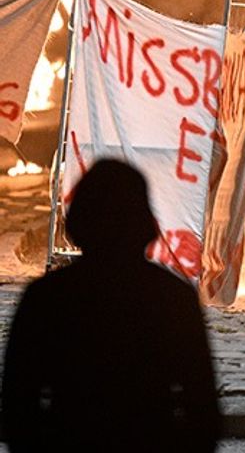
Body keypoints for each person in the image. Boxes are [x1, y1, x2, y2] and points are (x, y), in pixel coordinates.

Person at [1, 159, 221, 452]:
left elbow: (18, 405)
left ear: (78, 224)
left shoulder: (46, 297)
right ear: (146, 224)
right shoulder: (172, 297)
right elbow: (203, 407)